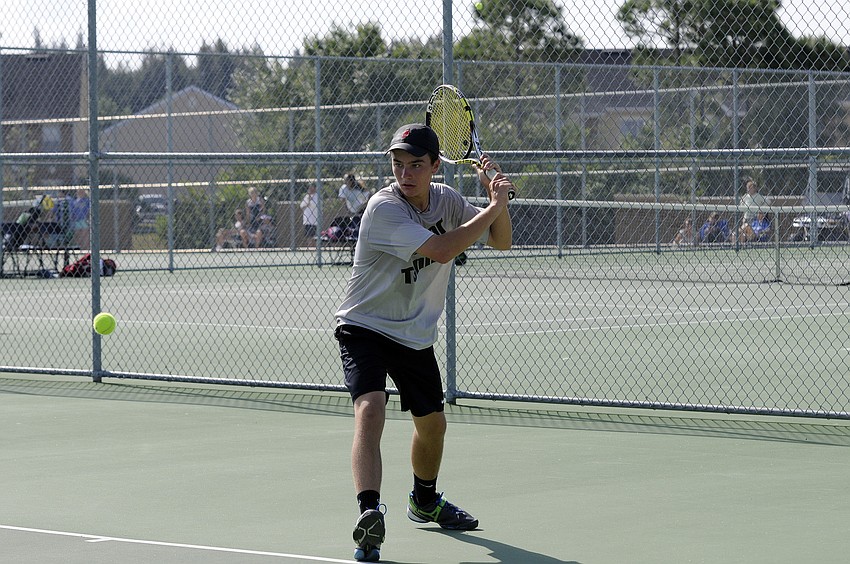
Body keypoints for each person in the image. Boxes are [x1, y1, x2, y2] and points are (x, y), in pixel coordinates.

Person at [334, 123, 514, 562]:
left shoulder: (448, 200)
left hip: (413, 334)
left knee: (432, 426)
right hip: (365, 326)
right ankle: (369, 516)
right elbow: (441, 249)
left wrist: (498, 200)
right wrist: (493, 206)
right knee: (370, 408)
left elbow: (502, 241)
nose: (405, 173)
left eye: (416, 164)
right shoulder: (383, 208)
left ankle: (425, 500)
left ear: (436, 166)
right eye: (398, 164)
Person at [734, 178, 767, 243]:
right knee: (740, 232)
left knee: (748, 231)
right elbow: (741, 204)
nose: (749, 189)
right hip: (746, 218)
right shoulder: (745, 196)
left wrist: (761, 209)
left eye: (750, 187)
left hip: (754, 219)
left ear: (754, 188)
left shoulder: (758, 196)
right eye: (748, 187)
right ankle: (740, 245)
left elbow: (766, 202)